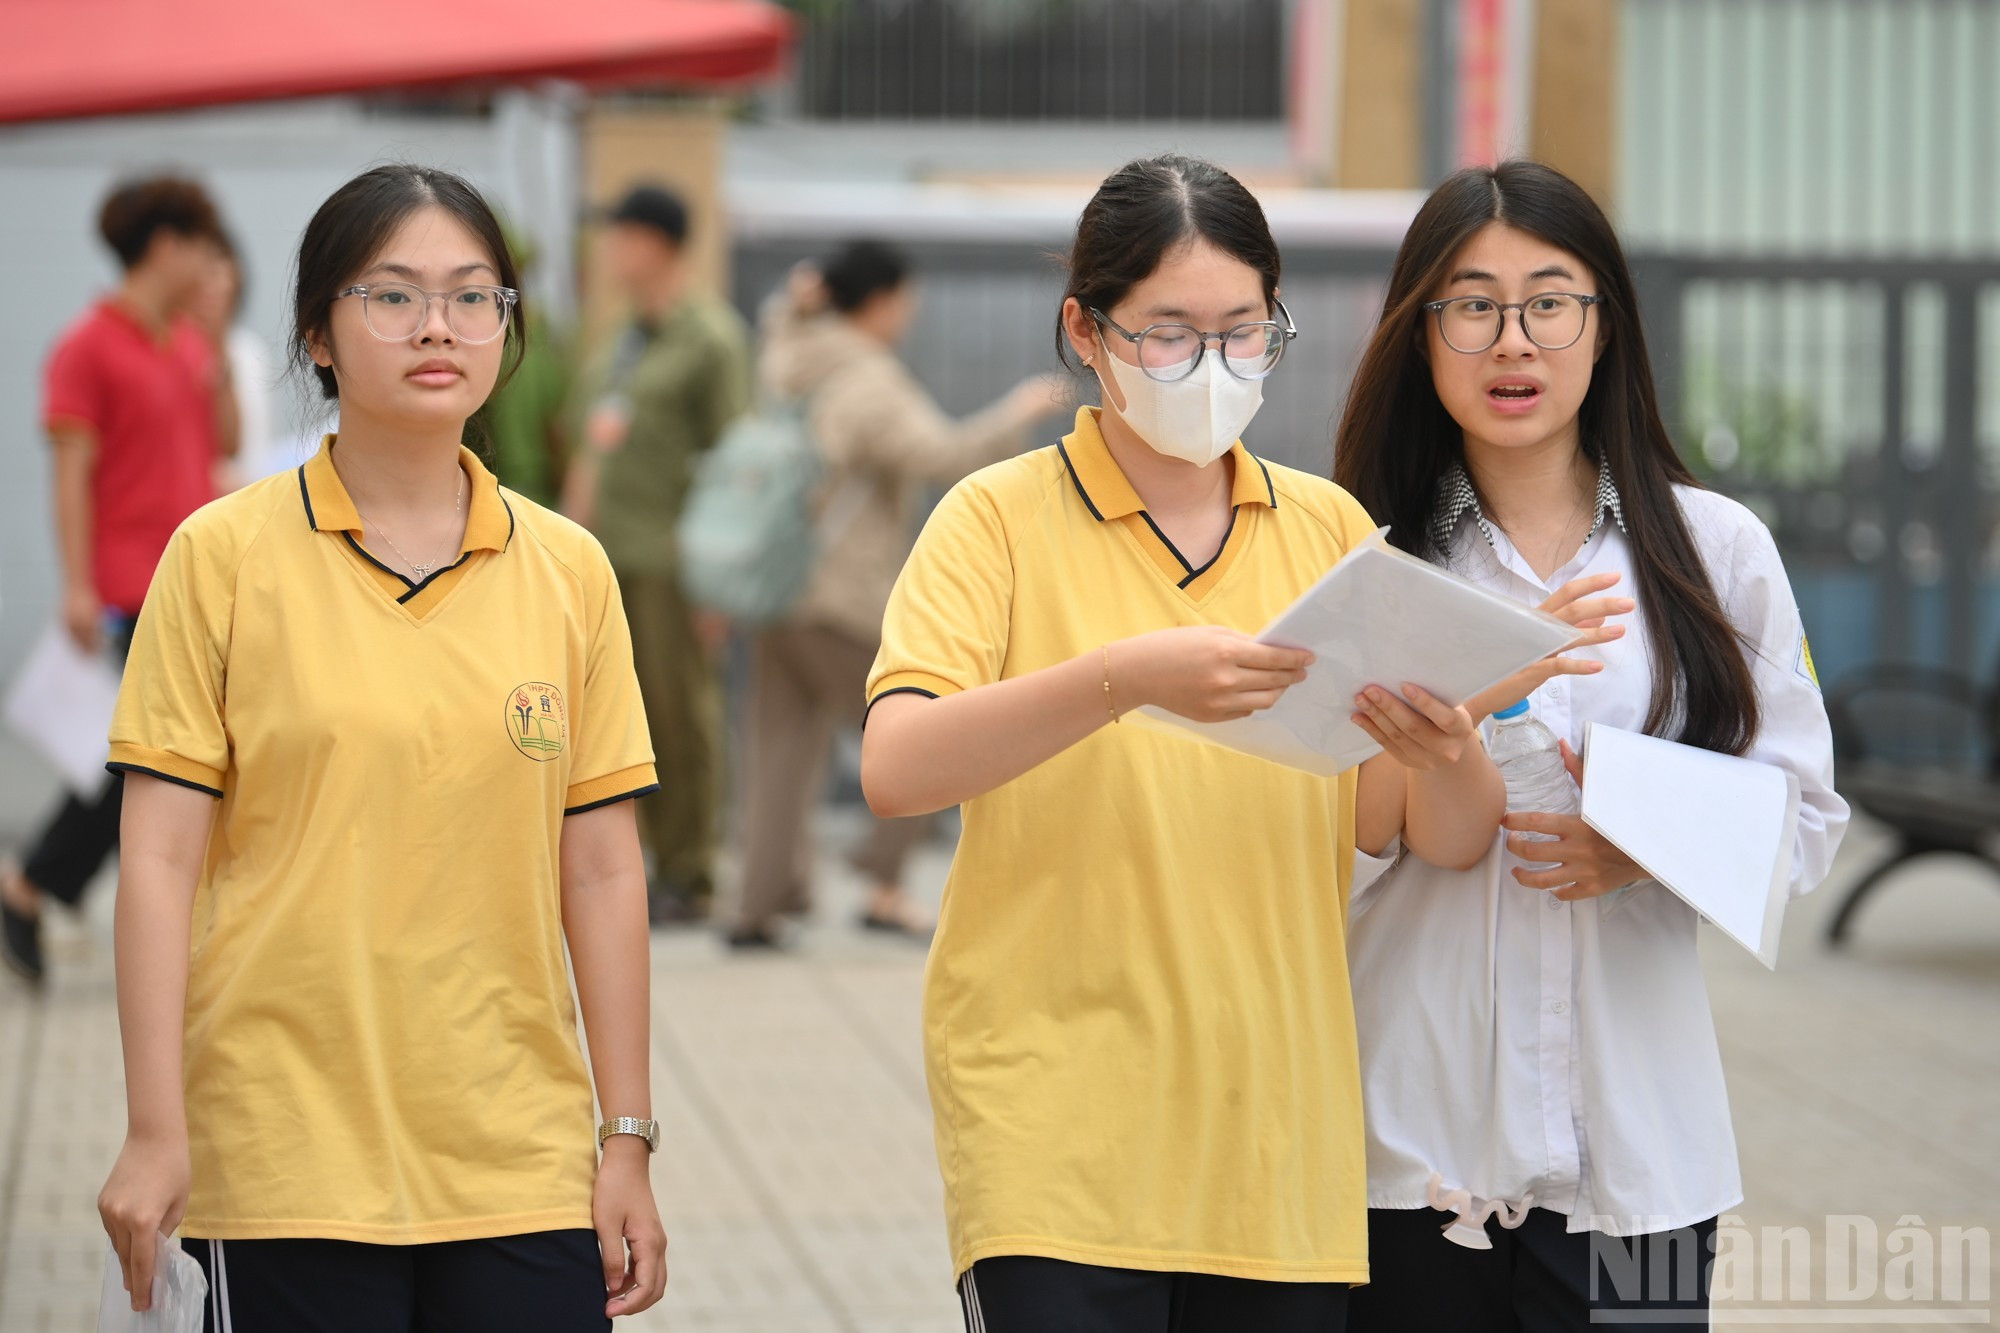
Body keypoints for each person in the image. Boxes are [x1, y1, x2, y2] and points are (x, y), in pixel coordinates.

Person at [861, 154, 1506, 1333]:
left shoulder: (1327, 531)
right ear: (1085, 330)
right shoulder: (993, 518)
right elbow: (897, 767)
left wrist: (1447, 748)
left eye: (1241, 330)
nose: (1208, 366)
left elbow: (1404, 835)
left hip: (1274, 1131)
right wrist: (1120, 678)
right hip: (1053, 1134)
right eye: (1166, 333)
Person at [94, 164, 667, 1329]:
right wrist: (156, 1127)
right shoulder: (220, 558)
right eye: (391, 295)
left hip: (514, 1158)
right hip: (288, 1156)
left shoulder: (568, 571)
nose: (437, 327)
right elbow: (155, 861)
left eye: (472, 296)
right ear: (317, 331)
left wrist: (626, 1138)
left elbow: (602, 870)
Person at [1331, 160, 1850, 1331]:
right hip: (1406, 1148)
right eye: (1470, 303)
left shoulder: (1716, 552)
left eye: (1548, 299)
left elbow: (1804, 821)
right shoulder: (1362, 557)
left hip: (1642, 1159)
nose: (1511, 340)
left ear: (1603, 323)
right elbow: (1318, 845)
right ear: (1417, 331)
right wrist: (1448, 712)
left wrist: (1647, 844)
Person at [726, 241, 1066, 950]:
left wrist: (797, 297)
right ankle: (880, 882)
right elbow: (943, 457)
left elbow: (777, 320)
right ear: (879, 301)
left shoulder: (792, 355)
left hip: (773, 584)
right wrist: (1019, 410)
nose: (908, 315)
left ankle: (756, 908)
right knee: (925, 729)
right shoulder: (868, 380)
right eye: (904, 301)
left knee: (779, 751)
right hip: (836, 594)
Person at [0, 175, 236, 985]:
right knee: (144, 761)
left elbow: (224, 441)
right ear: (165, 246)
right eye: (201, 248)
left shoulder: (189, 342)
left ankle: (33, 886)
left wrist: (216, 350)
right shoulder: (87, 345)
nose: (211, 265)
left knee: (158, 758)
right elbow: (71, 473)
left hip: (197, 577)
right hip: (128, 585)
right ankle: (31, 884)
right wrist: (73, 584)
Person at [562, 183, 751, 924]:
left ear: (657, 243)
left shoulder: (709, 337)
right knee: (613, 718)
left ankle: (690, 871)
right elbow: (590, 442)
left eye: (620, 234)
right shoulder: (623, 339)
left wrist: (719, 581)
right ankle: (637, 861)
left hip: (676, 558)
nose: (609, 250)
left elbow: (735, 461)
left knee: (678, 714)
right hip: (609, 557)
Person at [192, 231, 285, 488]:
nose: (212, 287)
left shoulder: (249, 351)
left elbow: (258, 446)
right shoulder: (171, 354)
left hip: (247, 500)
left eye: (219, 272)